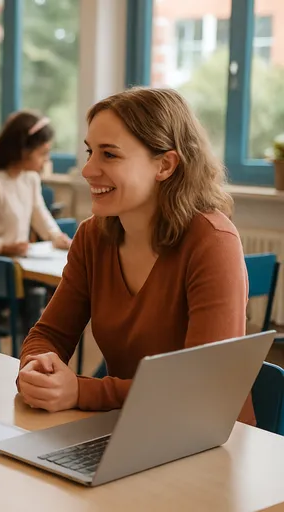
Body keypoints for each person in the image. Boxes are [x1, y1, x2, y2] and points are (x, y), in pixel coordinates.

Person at [16, 87, 255, 425]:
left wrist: (82, 392)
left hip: (207, 441)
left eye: (109, 155)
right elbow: (48, 335)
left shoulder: (212, 242)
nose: (88, 170)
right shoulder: (92, 236)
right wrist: (36, 368)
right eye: (90, 152)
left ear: (166, 164)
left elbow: (201, 387)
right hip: (126, 428)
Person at [0, 111, 73, 351]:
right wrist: (5, 247)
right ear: (23, 150)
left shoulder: (31, 180)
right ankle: (24, 355)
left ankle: (33, 353)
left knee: (44, 301)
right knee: (34, 304)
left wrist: (57, 237)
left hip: (21, 268)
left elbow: (40, 215)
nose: (45, 160)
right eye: (42, 153)